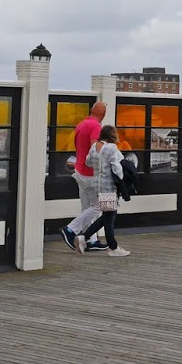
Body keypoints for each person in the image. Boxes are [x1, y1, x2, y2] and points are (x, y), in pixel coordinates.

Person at [61, 101, 106, 252]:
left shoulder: (81, 124)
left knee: (86, 207)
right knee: (98, 206)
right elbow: (94, 149)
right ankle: (70, 229)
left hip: (79, 171)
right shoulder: (95, 126)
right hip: (90, 173)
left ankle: (90, 241)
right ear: (103, 114)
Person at [79, 125, 129, 256]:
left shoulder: (94, 146)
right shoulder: (112, 148)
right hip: (108, 186)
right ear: (112, 135)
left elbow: (88, 162)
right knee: (110, 216)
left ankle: (84, 238)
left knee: (107, 215)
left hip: (97, 185)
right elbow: (117, 167)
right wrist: (122, 179)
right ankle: (113, 248)